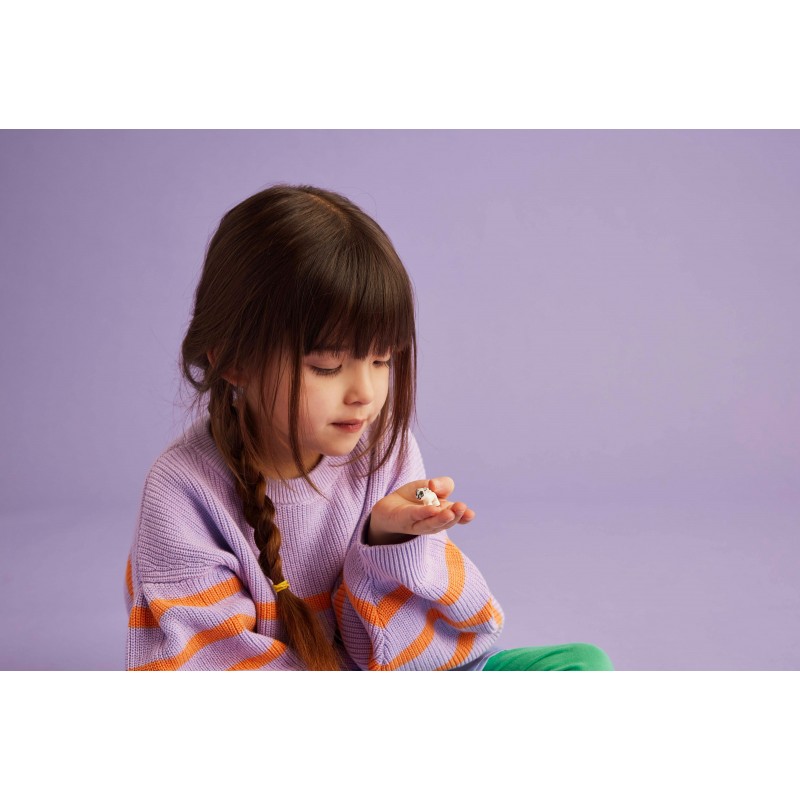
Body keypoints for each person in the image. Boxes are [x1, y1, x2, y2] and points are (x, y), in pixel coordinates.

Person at [124, 184, 613, 671]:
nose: (365, 392)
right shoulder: (182, 493)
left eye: (381, 360)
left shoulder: (385, 451)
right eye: (327, 366)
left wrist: (388, 543)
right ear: (233, 362)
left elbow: (412, 658)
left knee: (583, 665)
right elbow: (206, 669)